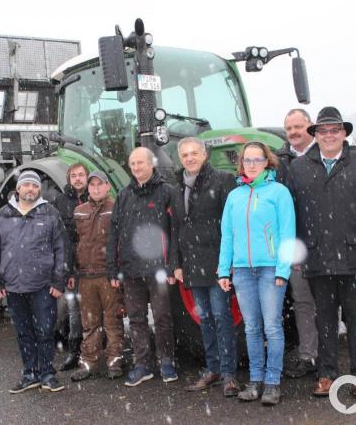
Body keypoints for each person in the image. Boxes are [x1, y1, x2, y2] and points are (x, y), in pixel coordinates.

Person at [287, 106, 356, 398]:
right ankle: (327, 374)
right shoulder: (298, 168)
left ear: (344, 133)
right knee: (325, 319)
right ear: (315, 135)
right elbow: (292, 215)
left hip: (354, 256)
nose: (329, 135)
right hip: (317, 256)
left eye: (335, 130)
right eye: (323, 131)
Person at [217, 141, 295, 406]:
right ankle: (255, 380)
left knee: (272, 326)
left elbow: (287, 233)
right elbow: (227, 236)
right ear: (242, 164)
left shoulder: (279, 192)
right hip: (241, 270)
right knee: (251, 327)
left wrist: (283, 270)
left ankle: (272, 383)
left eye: (257, 160)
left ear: (267, 162)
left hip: (270, 268)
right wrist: (223, 270)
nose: (251, 165)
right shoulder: (234, 196)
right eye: (247, 160)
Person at [107, 147, 180, 387]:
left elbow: (175, 232)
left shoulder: (167, 192)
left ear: (152, 164)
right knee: (137, 319)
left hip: (158, 269)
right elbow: (114, 234)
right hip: (131, 269)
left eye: (141, 163)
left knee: (162, 317)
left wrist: (172, 266)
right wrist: (114, 268)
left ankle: (167, 361)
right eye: (133, 164)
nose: (137, 168)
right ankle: (142, 365)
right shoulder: (124, 195)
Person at [0, 170, 67, 393]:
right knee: (24, 333)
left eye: (34, 186)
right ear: (19, 189)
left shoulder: (50, 214)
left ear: (39, 190)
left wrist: (58, 281)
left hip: (43, 286)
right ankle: (30, 374)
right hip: (13, 287)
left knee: (44, 331)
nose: (30, 189)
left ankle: (48, 374)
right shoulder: (3, 215)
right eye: (27, 185)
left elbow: (61, 249)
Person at [173, 137, 240, 397]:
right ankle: (212, 368)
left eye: (194, 153)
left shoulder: (222, 180)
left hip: (216, 261)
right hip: (192, 263)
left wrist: (229, 261)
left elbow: (230, 224)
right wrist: (176, 263)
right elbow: (177, 227)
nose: (189, 158)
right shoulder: (176, 186)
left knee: (223, 317)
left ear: (204, 155)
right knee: (205, 319)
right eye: (185, 155)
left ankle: (229, 374)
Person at [274, 109, 319, 379]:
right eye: (289, 128)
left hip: (323, 242)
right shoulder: (280, 162)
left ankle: (329, 357)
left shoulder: (323, 155)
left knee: (328, 301)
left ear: (309, 127)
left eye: (298, 127)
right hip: (294, 242)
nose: (293, 132)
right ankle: (308, 356)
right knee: (303, 301)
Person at [69, 171, 126, 382]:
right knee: (89, 322)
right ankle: (89, 362)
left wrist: (118, 272)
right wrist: (73, 270)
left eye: (99, 185)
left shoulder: (116, 209)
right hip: (85, 275)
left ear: (107, 187)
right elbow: (74, 242)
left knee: (113, 320)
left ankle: (114, 361)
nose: (95, 188)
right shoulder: (79, 212)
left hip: (108, 275)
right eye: (92, 185)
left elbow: (122, 242)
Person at [52, 163, 90, 371]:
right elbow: (61, 240)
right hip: (72, 265)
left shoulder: (94, 198)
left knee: (94, 309)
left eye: (81, 175)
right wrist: (68, 269)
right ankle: (75, 352)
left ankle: (95, 350)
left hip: (93, 262)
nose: (77, 179)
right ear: (68, 179)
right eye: (73, 175)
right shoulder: (60, 202)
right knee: (75, 310)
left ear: (87, 177)